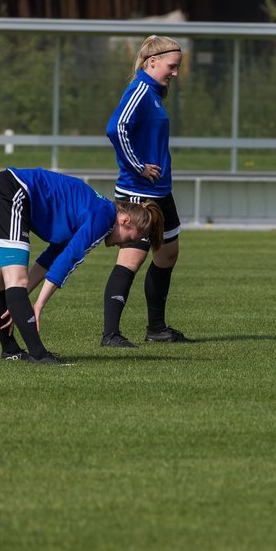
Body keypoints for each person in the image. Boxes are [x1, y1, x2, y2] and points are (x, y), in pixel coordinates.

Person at [0, 167, 163, 365]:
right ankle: (39, 354)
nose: (124, 245)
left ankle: (11, 351)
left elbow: (51, 258)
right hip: (12, 191)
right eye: (131, 238)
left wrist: (19, 301)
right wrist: (38, 305)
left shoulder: (88, 211)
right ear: (125, 220)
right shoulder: (104, 216)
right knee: (16, 279)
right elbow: (69, 259)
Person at [101, 34, 194, 349]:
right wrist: (138, 165)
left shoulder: (154, 91)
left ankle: (157, 328)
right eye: (172, 66)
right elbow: (116, 128)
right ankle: (110, 334)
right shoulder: (140, 90)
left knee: (168, 254)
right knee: (131, 260)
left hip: (160, 191)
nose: (175, 73)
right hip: (137, 191)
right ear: (152, 62)